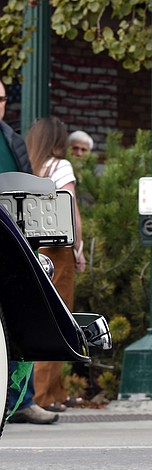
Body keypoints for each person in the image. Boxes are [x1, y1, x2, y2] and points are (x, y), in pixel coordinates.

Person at [0, 83, 60, 425]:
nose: (0, 105)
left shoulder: (13, 140)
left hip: (9, 247)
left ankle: (22, 399)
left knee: (21, 318)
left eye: (3, 99)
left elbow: (28, 194)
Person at [25, 116, 88, 414]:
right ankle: (45, 396)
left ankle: (53, 392)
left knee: (36, 317)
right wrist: (79, 249)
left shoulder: (29, 166)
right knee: (60, 319)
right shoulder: (61, 167)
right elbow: (69, 205)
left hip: (32, 248)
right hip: (58, 250)